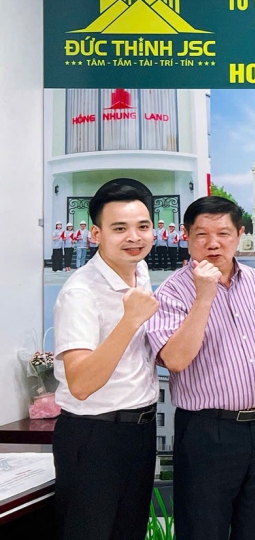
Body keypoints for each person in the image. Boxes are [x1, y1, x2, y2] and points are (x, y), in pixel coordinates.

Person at [145, 195, 255, 540]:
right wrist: (204, 295)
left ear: (240, 235)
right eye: (202, 234)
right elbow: (176, 360)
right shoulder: (171, 293)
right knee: (203, 529)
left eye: (224, 233)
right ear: (186, 236)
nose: (213, 243)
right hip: (206, 431)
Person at [51, 183, 159, 540]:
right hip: (94, 435)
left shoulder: (140, 271)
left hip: (139, 431)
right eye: (120, 228)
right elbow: (81, 384)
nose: (134, 237)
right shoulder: (80, 293)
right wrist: (130, 321)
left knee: (130, 532)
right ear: (96, 234)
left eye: (143, 226)